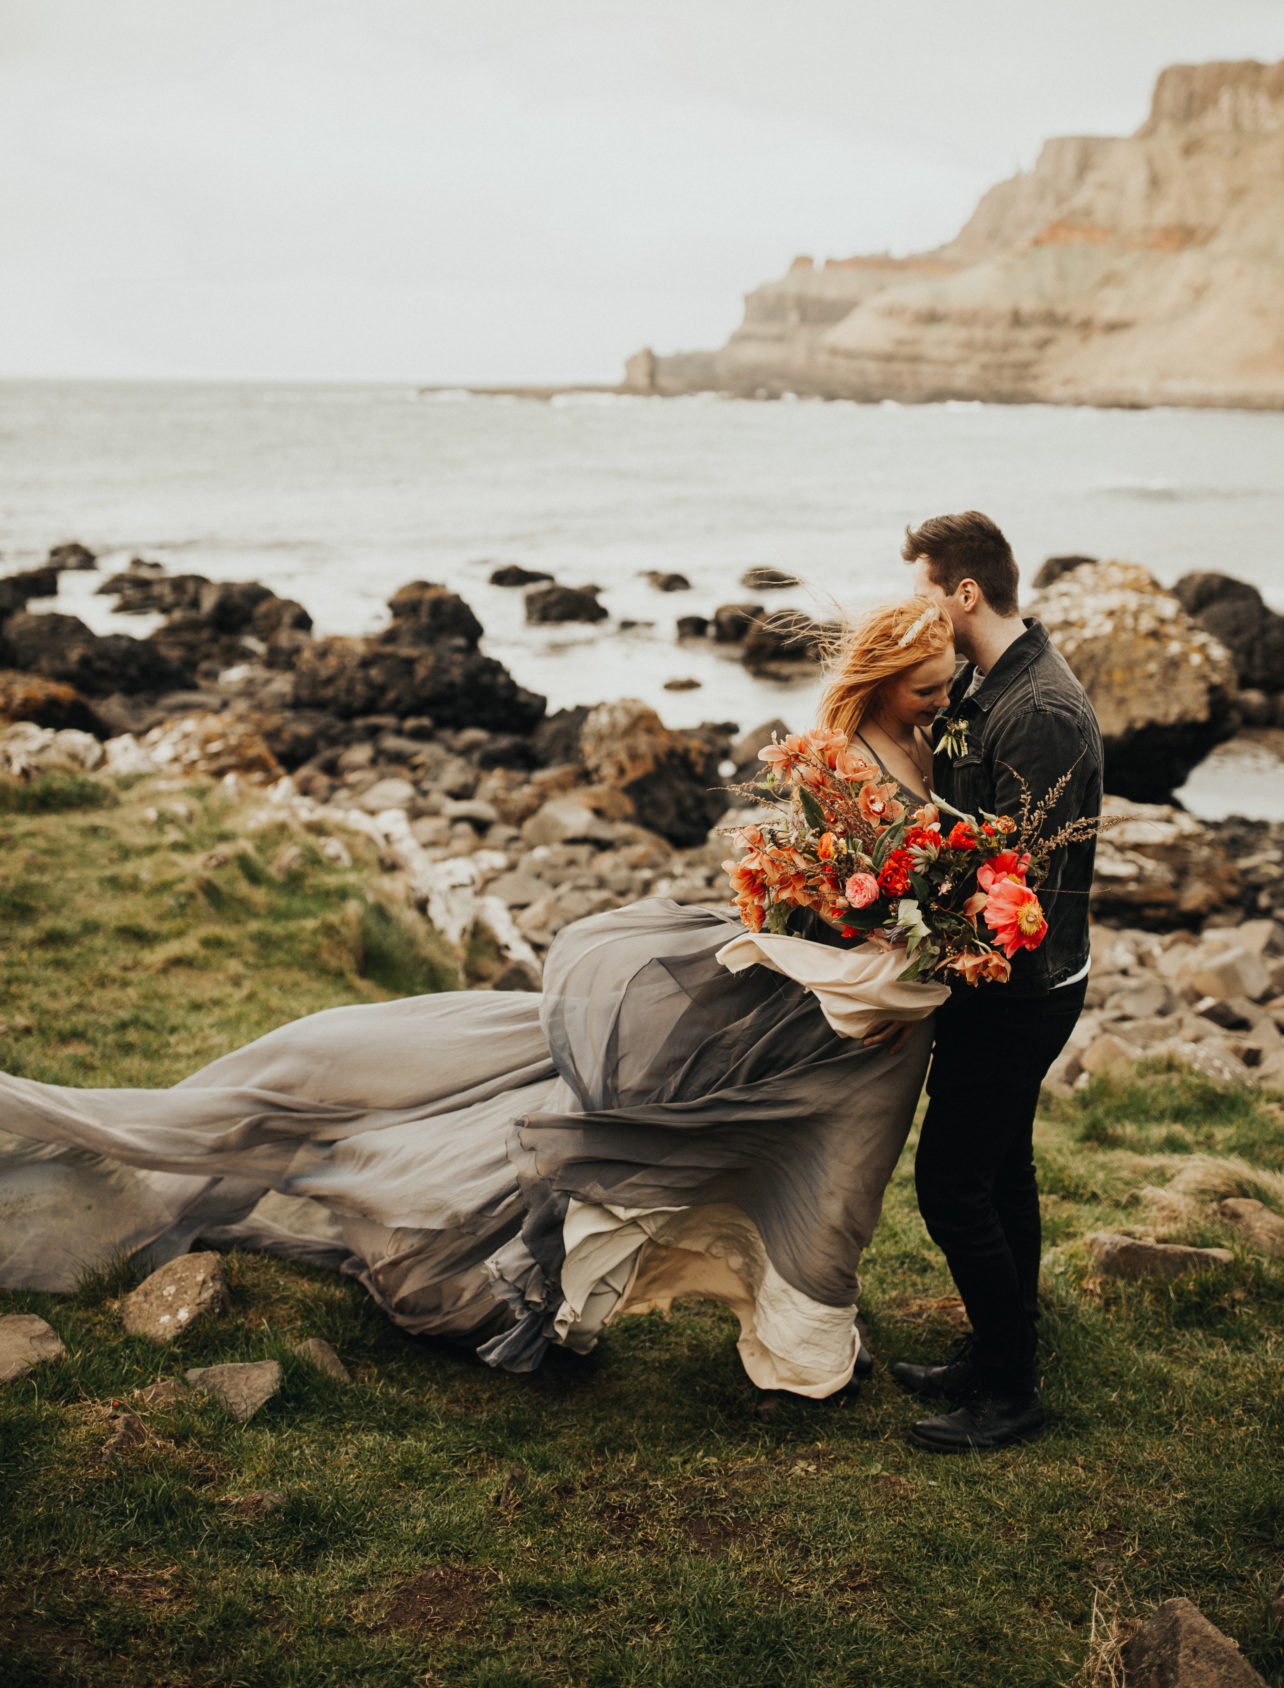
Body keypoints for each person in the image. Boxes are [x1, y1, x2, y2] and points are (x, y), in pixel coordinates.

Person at [0, 596, 957, 1401]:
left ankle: (798, 1334)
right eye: (927, 682)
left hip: (844, 1015)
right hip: (811, 998)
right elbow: (791, 886)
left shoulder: (926, 743)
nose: (944, 695)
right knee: (603, 1114)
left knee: (780, 1162)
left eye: (948, 678)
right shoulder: (837, 763)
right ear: (879, 682)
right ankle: (463, 1254)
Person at [893, 510, 1102, 1453]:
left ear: (962, 593)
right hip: (1001, 979)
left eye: (921, 588)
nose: (914, 606)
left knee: (951, 1185)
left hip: (1021, 987)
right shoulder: (985, 683)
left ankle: (1010, 1395)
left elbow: (1022, 885)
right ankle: (998, 1349)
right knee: (1002, 1167)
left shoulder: (1041, 714)